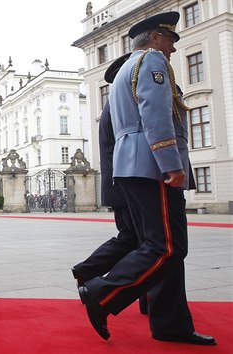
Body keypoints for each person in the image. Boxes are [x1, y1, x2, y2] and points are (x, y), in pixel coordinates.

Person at [77, 12, 216, 345]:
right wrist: (171, 163)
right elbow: (155, 114)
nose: (171, 49)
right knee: (166, 247)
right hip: (151, 164)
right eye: (169, 40)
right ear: (154, 37)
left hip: (133, 165)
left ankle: (171, 324)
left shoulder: (126, 68)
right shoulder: (151, 61)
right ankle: (101, 292)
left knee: (161, 246)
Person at [72, 53, 150, 314]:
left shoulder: (111, 108)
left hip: (118, 184)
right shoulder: (120, 107)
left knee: (133, 239)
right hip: (127, 183)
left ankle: (87, 272)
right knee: (142, 241)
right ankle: (97, 281)